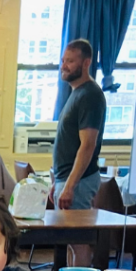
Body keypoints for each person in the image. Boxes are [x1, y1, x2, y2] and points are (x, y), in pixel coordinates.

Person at [52, 38, 107, 211]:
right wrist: (59, 181)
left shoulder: (90, 95)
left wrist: (69, 187)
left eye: (70, 61)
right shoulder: (77, 94)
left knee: (74, 237)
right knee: (64, 237)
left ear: (86, 63)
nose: (64, 66)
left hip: (79, 183)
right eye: (63, 61)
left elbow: (87, 145)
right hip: (67, 180)